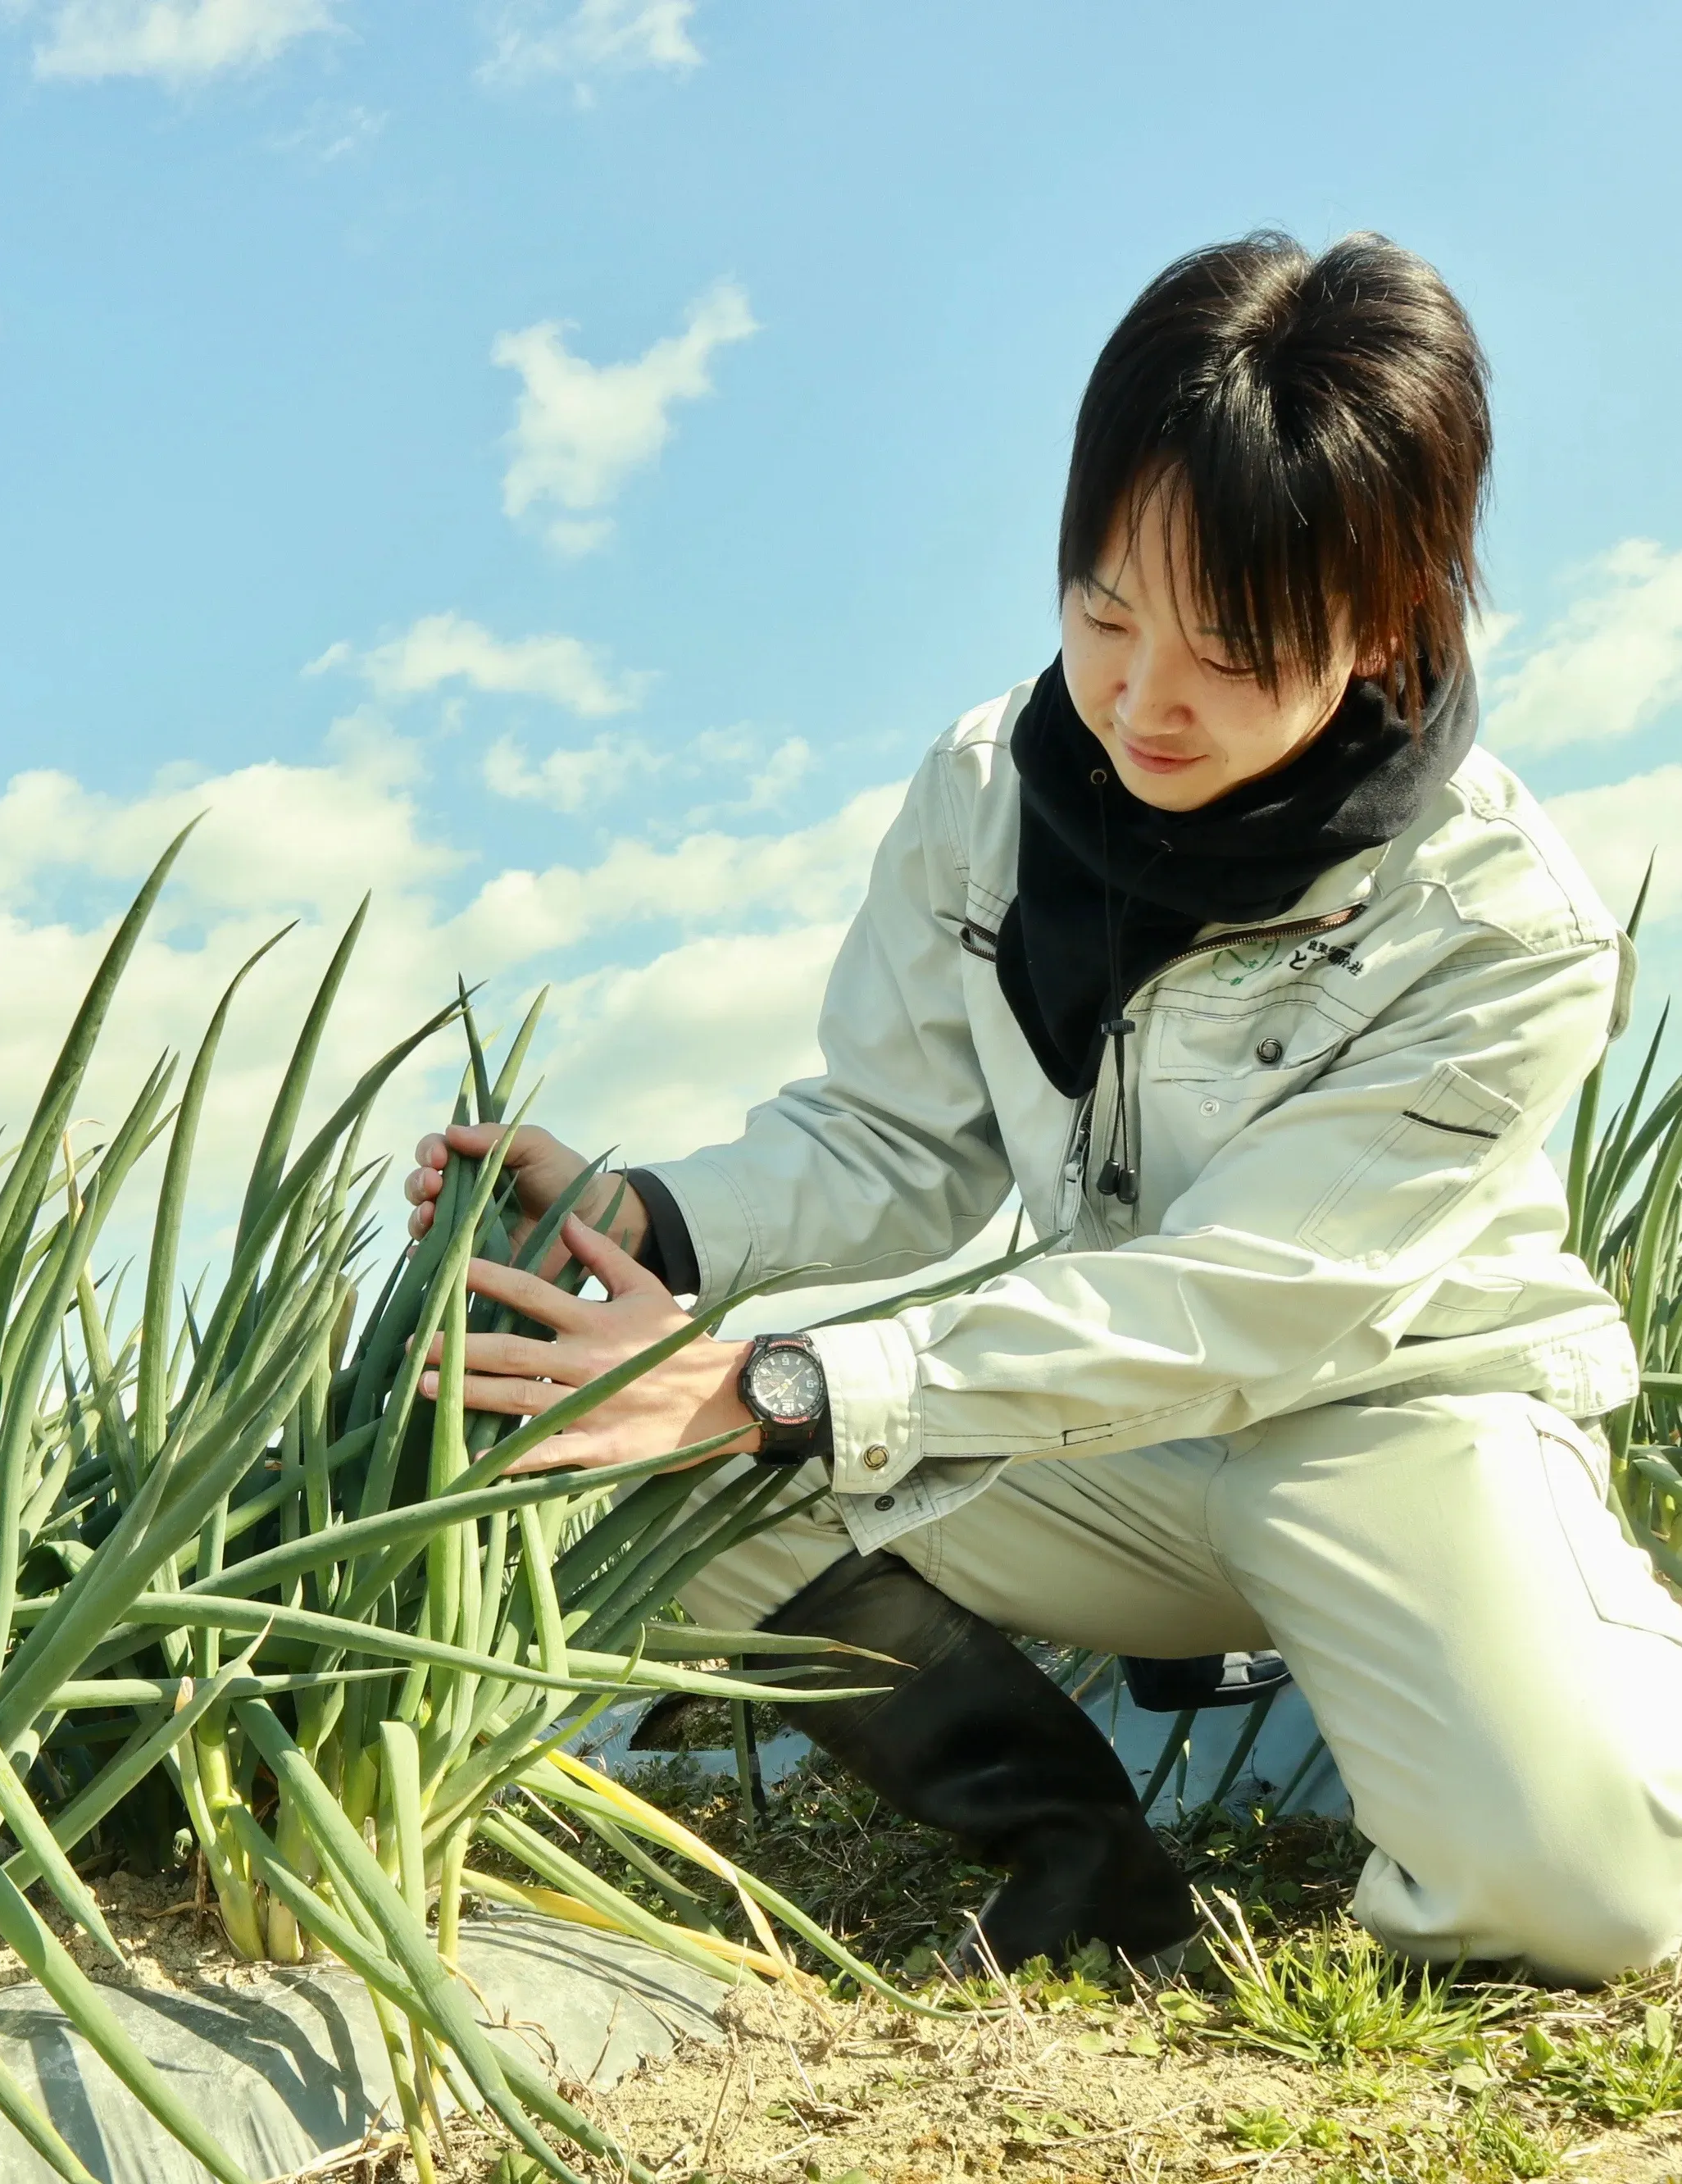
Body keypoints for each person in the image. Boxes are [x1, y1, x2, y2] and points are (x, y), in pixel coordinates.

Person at [403, 232, 1682, 1986]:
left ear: (1384, 623)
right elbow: (897, 1139)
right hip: (1110, 1438)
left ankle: (1557, 1674)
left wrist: (792, 1377)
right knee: (655, 1472)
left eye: (1232, 652)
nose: (1144, 699)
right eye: (1102, 612)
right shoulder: (986, 786)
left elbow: (1252, 1296)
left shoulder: (1505, 926)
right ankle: (1086, 1871)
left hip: (1396, 1422)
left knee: (1581, 1906)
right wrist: (651, 1219)